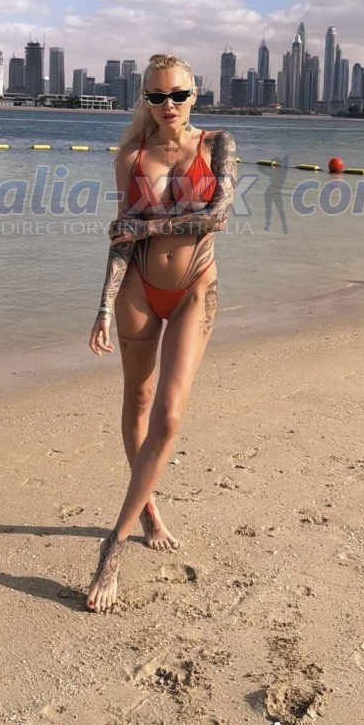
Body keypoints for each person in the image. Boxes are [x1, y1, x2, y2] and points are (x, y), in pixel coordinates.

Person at [86, 52, 236, 612]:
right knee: (139, 400)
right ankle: (147, 509)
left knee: (169, 416)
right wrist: (103, 307)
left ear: (194, 94)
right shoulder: (130, 157)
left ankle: (113, 544)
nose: (168, 105)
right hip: (138, 290)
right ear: (144, 99)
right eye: (156, 96)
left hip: (196, 286)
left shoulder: (218, 145)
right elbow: (120, 241)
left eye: (177, 94)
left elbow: (218, 216)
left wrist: (145, 225)